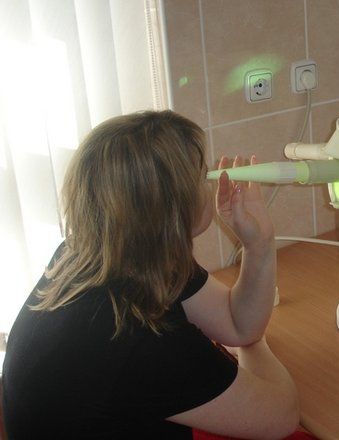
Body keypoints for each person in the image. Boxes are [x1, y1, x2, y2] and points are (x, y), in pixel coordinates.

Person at [1, 110, 300, 439]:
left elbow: (237, 323)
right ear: (172, 207)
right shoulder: (134, 333)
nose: (211, 183)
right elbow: (281, 416)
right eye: (202, 176)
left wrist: (259, 242)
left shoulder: (101, 255)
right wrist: (254, 347)